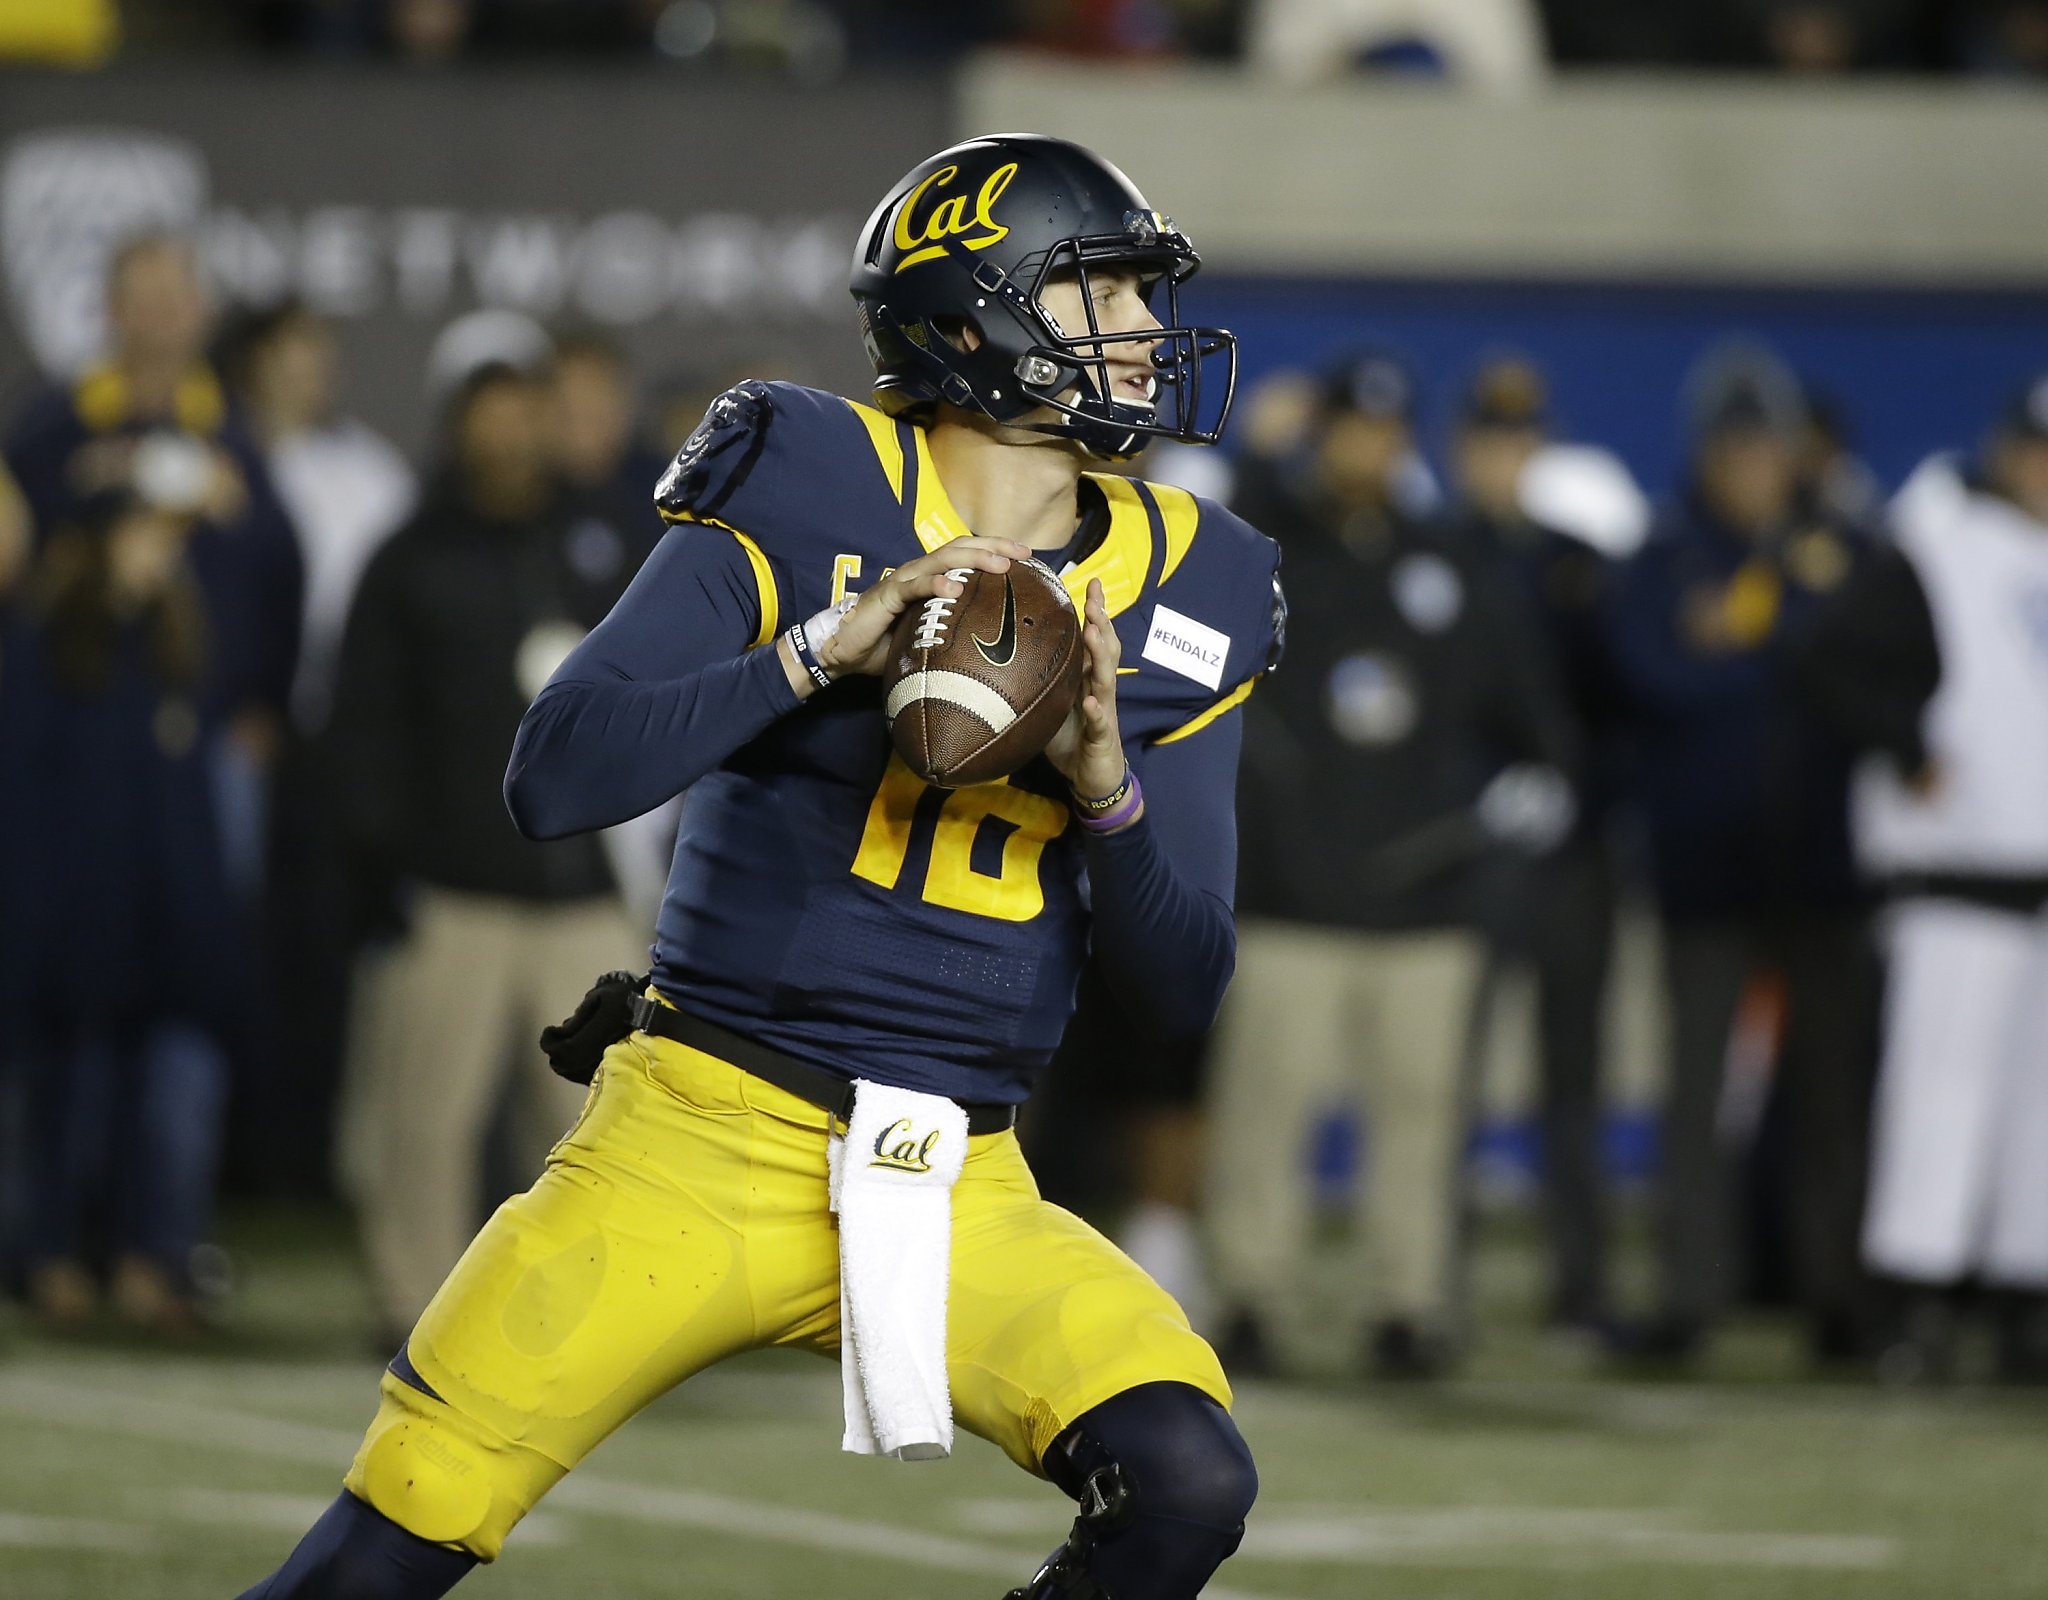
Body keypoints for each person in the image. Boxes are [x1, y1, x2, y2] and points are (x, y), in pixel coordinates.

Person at [233, 132, 1279, 1600]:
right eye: (1105, 291)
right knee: (390, 1540)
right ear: (983, 314)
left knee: (1187, 1478)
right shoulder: (812, 477)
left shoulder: (1201, 582)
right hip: (704, 1130)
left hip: (960, 1164)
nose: (1152, 332)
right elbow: (559, 773)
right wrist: (811, 656)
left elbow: (1185, 989)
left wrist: (1108, 792)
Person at [1205, 352, 1576, 1380]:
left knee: (1420, 1115)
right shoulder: (1268, 554)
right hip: (1292, 896)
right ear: (1320, 437)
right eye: (1347, 430)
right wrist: (1260, 460)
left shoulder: (1451, 562)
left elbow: (1531, 714)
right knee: (1265, 1110)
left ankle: (1409, 1304)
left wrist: (1533, 781)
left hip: (1427, 900)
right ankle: (1247, 1295)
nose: (1366, 449)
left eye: (1383, 431)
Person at [327, 359, 645, 1342]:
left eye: (525, 422)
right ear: (460, 432)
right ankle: (409, 1303)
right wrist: (383, 866)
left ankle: (588, 1313)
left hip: (582, 887)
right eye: (491, 424)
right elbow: (364, 726)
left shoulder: (600, 544)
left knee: (596, 1127)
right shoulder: (411, 557)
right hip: (455, 887)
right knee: (425, 1120)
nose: (510, 442)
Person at [1605, 344, 1884, 1366]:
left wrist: (1746, 632)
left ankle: (1836, 1295)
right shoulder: (1664, 551)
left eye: (1768, 448)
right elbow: (1653, 679)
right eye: (1736, 449)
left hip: (1819, 865)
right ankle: (1688, 1295)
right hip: (1702, 865)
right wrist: (1768, 641)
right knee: (1692, 1096)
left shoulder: (1840, 546)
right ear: (1707, 454)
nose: (1754, 466)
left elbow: (1855, 676)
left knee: (1829, 1096)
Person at [1852, 378, 2048, 1382]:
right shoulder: (1932, 545)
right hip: (1956, 872)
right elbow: (1833, 663)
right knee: (1939, 1095)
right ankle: (1911, 1300)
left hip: (2040, 884)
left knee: (2035, 1114)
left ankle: (2023, 1300)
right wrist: (1901, 744)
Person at [1444, 355, 1624, 1335]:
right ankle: (1435, 1279)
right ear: (1460, 449)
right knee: (1448, 1075)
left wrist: (1574, 785)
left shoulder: (1574, 560)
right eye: (1488, 442)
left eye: (1519, 442)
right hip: (1467, 848)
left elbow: (1615, 699)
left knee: (1573, 1075)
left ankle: (1581, 1282)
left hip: (1570, 850)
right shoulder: (1435, 551)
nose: (1505, 459)